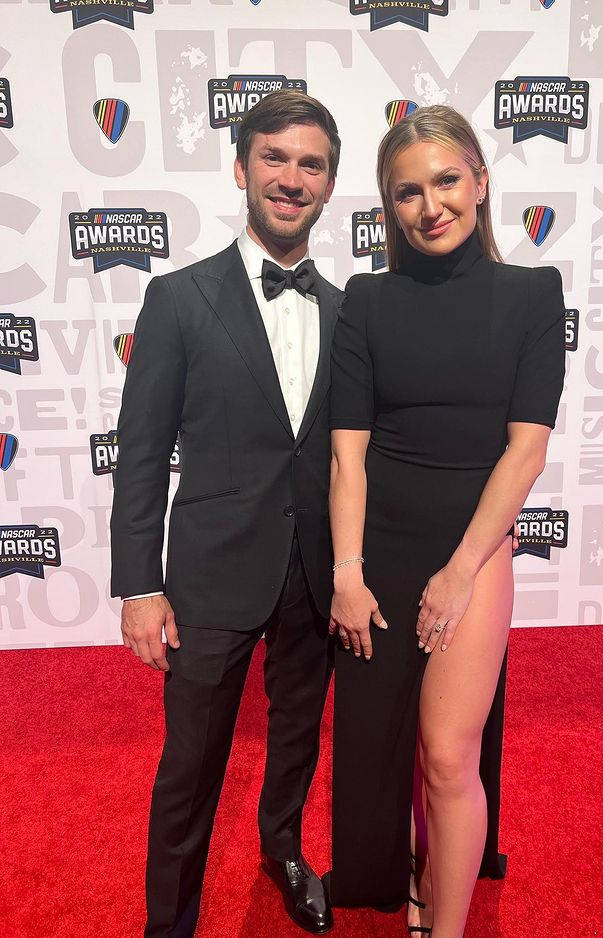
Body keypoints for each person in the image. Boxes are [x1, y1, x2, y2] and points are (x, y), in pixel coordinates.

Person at [327, 105, 566, 938]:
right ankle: (407, 880)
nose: (430, 205)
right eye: (406, 192)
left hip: (475, 546)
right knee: (384, 751)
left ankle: (449, 922)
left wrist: (462, 568)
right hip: (377, 548)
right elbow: (347, 457)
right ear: (387, 207)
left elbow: (525, 454)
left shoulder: (534, 294)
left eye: (446, 181)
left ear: (481, 180)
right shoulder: (364, 299)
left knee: (445, 755)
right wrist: (347, 574)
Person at [110, 90, 343, 937]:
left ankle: (282, 846)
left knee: (297, 739)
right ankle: (169, 923)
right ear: (241, 169)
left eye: (311, 163)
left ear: (328, 185)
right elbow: (140, 450)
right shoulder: (178, 300)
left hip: (313, 570)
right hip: (210, 574)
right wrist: (139, 584)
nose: (291, 178)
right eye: (275, 158)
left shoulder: (349, 312)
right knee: (190, 767)